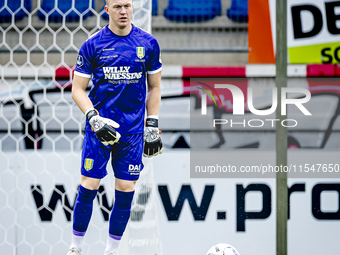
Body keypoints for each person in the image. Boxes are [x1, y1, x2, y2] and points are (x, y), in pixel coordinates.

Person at [67, 0, 163, 254]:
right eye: (118, 6)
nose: (123, 11)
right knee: (89, 184)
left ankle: (111, 251)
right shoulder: (93, 45)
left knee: (126, 188)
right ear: (107, 9)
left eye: (128, 6)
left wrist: (151, 125)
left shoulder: (148, 44)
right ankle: (75, 248)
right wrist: (93, 118)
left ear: (133, 8)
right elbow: (77, 89)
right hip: (100, 129)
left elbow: (154, 87)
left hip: (132, 132)